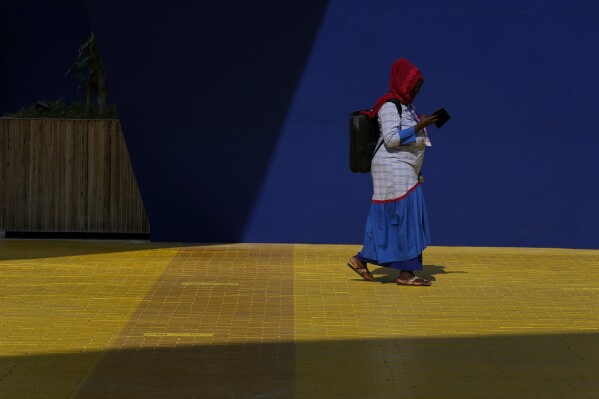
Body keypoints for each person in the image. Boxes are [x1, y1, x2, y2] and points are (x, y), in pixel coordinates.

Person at [347, 58, 438, 286]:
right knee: (407, 218)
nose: (417, 90)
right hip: (392, 169)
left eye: (419, 86)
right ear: (403, 82)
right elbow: (392, 138)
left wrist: (421, 122)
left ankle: (361, 259)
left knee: (394, 219)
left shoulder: (407, 106)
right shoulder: (389, 105)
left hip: (403, 169)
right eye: (414, 85)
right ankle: (407, 273)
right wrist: (418, 126)